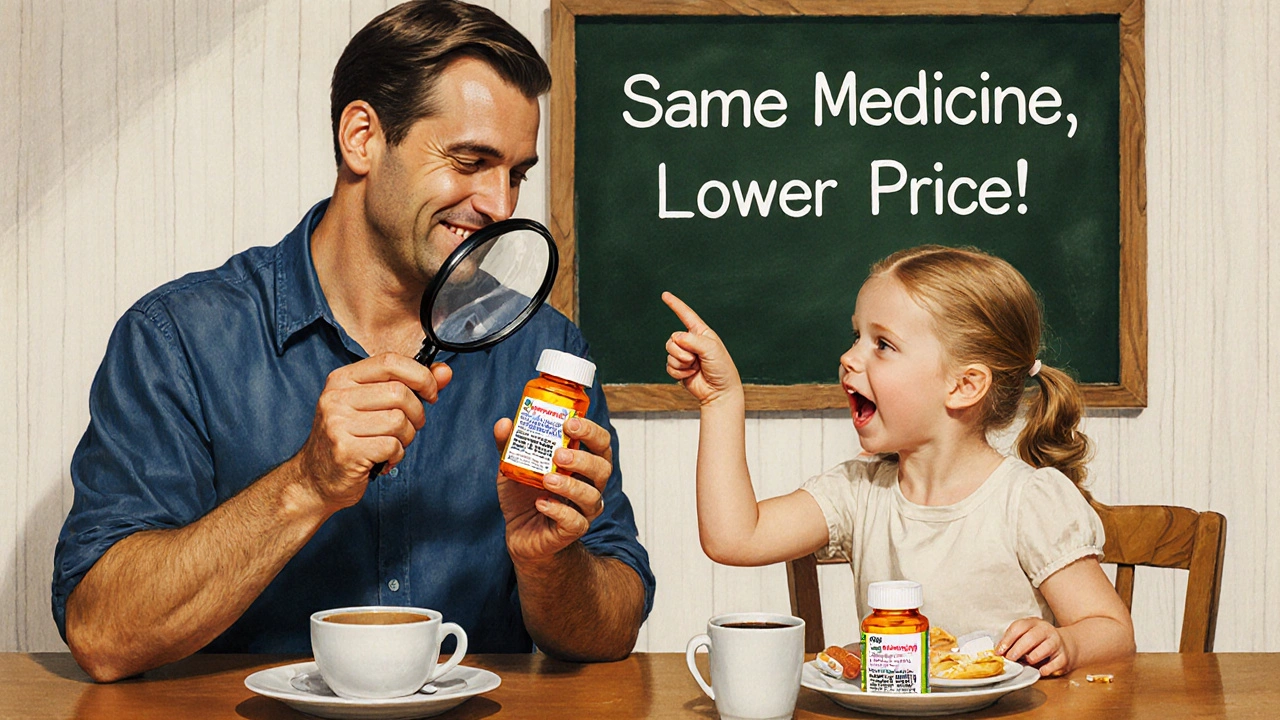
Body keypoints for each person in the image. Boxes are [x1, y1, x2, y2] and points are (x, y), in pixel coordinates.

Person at [53, 0, 653, 682]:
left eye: (515, 172)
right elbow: (100, 633)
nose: (499, 204)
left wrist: (549, 564)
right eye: (470, 160)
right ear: (362, 137)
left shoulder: (540, 352)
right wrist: (304, 484)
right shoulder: (181, 340)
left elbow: (611, 629)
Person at [662, 245, 1134, 677]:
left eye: (882, 345)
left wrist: (1067, 643)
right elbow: (734, 538)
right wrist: (722, 401)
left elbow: (1112, 630)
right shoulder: (859, 491)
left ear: (964, 385)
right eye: (856, 337)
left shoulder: (1028, 500)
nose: (849, 358)